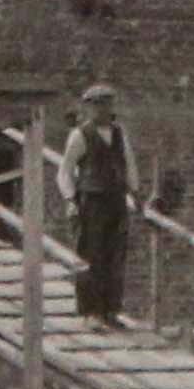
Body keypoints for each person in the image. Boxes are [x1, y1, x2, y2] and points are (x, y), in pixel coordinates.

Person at [63, 83, 136, 326]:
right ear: (88, 107)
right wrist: (70, 199)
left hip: (116, 200)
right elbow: (65, 171)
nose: (102, 109)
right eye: (96, 105)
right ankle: (90, 312)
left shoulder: (119, 133)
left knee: (115, 255)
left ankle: (111, 310)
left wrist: (134, 192)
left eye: (106, 104)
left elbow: (129, 164)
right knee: (90, 254)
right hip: (91, 201)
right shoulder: (80, 135)